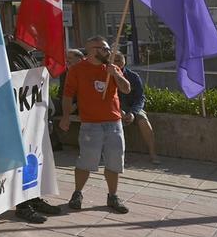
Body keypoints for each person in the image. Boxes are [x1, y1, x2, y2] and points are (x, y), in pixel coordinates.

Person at [59, 36, 132, 214]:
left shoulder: (112, 68)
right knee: (86, 160)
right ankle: (77, 193)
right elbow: (68, 95)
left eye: (108, 49)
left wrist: (115, 74)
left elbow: (126, 89)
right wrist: (66, 116)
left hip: (113, 123)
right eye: (105, 49)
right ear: (92, 50)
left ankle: (113, 195)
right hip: (90, 124)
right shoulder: (77, 70)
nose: (109, 52)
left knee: (114, 161)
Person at [112, 52, 159, 165]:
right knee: (116, 123)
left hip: (133, 108)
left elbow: (140, 98)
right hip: (115, 108)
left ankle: (153, 153)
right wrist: (119, 110)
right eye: (113, 61)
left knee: (143, 120)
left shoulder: (133, 76)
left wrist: (133, 112)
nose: (116, 63)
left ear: (124, 62)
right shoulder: (107, 76)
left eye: (118, 60)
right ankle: (121, 155)